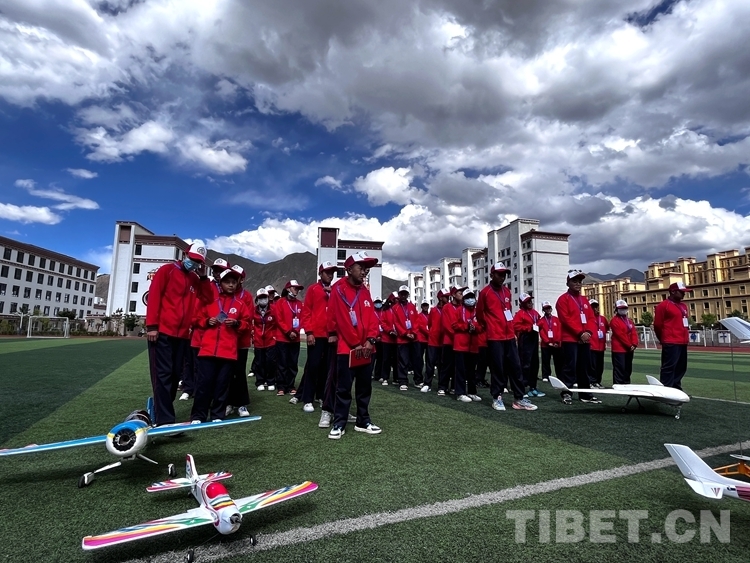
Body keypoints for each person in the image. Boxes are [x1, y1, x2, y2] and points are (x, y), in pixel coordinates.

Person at [145, 241, 211, 425]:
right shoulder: (166, 271)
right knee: (163, 375)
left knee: (175, 375)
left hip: (182, 335)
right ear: (184, 255)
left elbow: (208, 298)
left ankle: (161, 411)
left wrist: (203, 278)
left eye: (198, 261)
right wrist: (152, 326)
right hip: (162, 332)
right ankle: (164, 420)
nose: (194, 263)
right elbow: (154, 296)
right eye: (192, 259)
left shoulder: (195, 279)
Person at [326, 251, 382, 439]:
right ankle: (339, 423)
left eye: (366, 268)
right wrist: (356, 343)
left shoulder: (365, 290)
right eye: (361, 267)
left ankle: (363, 421)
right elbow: (341, 320)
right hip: (347, 349)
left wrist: (370, 340)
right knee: (343, 388)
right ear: (349, 269)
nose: (364, 271)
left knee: (364, 387)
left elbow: (372, 317)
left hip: (367, 349)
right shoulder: (338, 289)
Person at [190, 268, 251, 423]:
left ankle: (217, 415)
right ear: (220, 283)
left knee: (222, 385)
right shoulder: (210, 301)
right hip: (207, 350)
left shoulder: (240, 304)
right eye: (227, 282)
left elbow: (247, 324)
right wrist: (206, 321)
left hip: (228, 352)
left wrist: (237, 323)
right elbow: (196, 319)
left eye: (234, 282)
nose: (231, 285)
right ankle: (198, 416)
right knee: (203, 384)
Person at [476, 263, 537, 411]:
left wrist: (511, 331)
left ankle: (519, 399)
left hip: (509, 335)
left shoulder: (507, 291)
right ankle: (497, 397)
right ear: (492, 275)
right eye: (499, 274)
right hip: (494, 337)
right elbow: (479, 314)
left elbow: (507, 311)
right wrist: (490, 326)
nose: (502, 277)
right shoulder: (485, 293)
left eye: (504, 274)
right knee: (498, 368)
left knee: (516, 367)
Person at [555, 270, 600, 405]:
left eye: (580, 281)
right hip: (570, 339)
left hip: (585, 339)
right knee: (570, 367)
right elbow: (565, 319)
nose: (578, 284)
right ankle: (566, 393)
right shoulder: (563, 299)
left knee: (584, 368)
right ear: (568, 283)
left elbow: (591, 318)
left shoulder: (584, 300)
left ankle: (585, 394)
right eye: (574, 281)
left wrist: (588, 333)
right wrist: (580, 333)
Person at [300, 261, 337, 418]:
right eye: (327, 272)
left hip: (331, 335)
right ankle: (307, 399)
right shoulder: (313, 289)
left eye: (332, 272)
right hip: (316, 335)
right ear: (320, 273)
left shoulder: (335, 290)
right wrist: (309, 332)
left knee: (327, 368)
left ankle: (321, 396)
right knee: (313, 366)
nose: (330, 275)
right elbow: (306, 312)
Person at [224, 265, 252, 418]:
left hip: (241, 342)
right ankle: (228, 403)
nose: (233, 282)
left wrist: (236, 325)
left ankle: (241, 404)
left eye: (237, 278)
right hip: (226, 341)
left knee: (239, 372)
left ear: (241, 279)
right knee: (226, 373)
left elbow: (248, 318)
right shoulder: (224, 295)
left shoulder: (246, 296)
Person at [654, 281, 690, 390]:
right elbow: (657, 325)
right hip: (670, 341)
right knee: (669, 367)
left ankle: (676, 388)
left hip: (682, 341)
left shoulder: (683, 306)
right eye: (681, 292)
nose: (684, 294)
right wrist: (663, 338)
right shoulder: (663, 306)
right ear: (673, 292)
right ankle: (666, 389)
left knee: (681, 367)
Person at [452, 288, 482, 402]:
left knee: (471, 371)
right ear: (463, 299)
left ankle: (472, 392)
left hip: (473, 345)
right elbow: (454, 325)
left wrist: (475, 328)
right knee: (460, 370)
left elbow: (482, 326)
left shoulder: (477, 312)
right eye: (468, 297)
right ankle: (460, 393)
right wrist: (466, 326)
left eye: (472, 297)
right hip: (460, 345)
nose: (470, 299)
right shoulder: (459, 310)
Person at [513, 292, 545, 398]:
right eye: (527, 302)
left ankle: (533, 387)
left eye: (531, 301)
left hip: (534, 338)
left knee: (534, 363)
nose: (530, 303)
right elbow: (515, 326)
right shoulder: (520, 314)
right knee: (525, 364)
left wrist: (539, 325)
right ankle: (522, 388)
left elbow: (540, 321)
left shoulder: (534, 312)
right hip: (525, 339)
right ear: (522, 303)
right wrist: (528, 328)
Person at [276, 280, 304, 397]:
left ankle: (290, 386)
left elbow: (302, 319)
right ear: (288, 289)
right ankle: (281, 387)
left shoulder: (299, 304)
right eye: (294, 288)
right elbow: (279, 319)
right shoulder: (280, 302)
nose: (297, 290)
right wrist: (288, 332)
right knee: (282, 363)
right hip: (282, 338)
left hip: (295, 339)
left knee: (293, 363)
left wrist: (296, 332)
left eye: (298, 288)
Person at [392, 285, 420, 391]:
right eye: (402, 294)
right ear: (399, 295)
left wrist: (413, 332)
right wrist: (405, 333)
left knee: (417, 360)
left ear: (408, 295)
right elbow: (396, 323)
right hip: (402, 339)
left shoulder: (412, 306)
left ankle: (418, 380)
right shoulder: (395, 308)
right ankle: (403, 381)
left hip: (414, 338)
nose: (403, 296)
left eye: (405, 294)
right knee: (403, 361)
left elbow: (417, 321)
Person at [251, 288, 277, 391]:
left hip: (270, 340)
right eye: (261, 298)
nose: (263, 300)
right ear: (257, 299)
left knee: (270, 362)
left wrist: (274, 336)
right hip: (258, 341)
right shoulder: (253, 310)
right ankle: (260, 382)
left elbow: (277, 323)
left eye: (265, 297)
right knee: (259, 362)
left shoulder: (274, 309)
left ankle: (270, 381)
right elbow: (250, 323)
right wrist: (253, 335)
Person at [422, 289, 447, 392]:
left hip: (444, 341)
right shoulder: (433, 310)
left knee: (442, 365)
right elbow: (429, 324)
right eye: (446, 296)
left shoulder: (448, 309)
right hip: (433, 341)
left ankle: (442, 386)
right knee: (430, 363)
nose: (448, 298)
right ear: (440, 298)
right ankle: (427, 384)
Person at [610, 300, 638, 384]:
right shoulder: (614, 321)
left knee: (628, 368)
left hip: (629, 349)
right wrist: (629, 345)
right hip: (619, 349)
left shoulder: (629, 321)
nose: (623, 310)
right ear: (616, 309)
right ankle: (618, 384)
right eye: (621, 308)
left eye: (625, 308)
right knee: (620, 368)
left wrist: (634, 344)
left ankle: (626, 383)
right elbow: (620, 335)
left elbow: (633, 333)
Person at [537, 301, 562, 382]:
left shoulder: (556, 319)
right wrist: (548, 342)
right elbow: (541, 332)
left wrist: (557, 341)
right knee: (545, 361)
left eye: (549, 308)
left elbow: (559, 331)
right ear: (543, 310)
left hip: (556, 344)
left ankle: (560, 375)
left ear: (551, 309)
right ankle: (546, 375)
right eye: (546, 308)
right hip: (546, 345)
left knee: (558, 361)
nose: (548, 310)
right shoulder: (541, 321)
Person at [588, 299, 609, 389]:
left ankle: (597, 381)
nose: (595, 308)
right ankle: (591, 382)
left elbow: (606, 328)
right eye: (592, 307)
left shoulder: (603, 319)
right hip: (591, 346)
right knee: (592, 366)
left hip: (601, 346)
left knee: (600, 366)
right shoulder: (587, 319)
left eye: (596, 306)